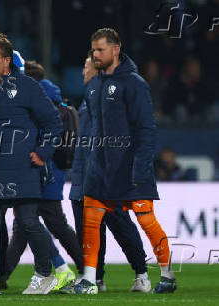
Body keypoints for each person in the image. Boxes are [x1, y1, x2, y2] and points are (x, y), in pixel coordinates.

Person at [68, 28, 176, 294]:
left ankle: (167, 275)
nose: (95, 55)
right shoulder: (93, 87)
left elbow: (146, 129)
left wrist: (140, 167)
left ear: (116, 50)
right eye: (93, 50)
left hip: (129, 168)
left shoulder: (135, 83)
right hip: (100, 170)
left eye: (100, 50)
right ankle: (90, 281)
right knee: (91, 221)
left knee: (146, 220)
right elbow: (95, 131)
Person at [0, 35, 63, 294]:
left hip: (21, 167)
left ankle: (44, 273)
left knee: (29, 222)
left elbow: (53, 122)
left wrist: (43, 152)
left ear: (7, 61)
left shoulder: (27, 86)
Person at [64, 52, 150, 293]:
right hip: (82, 175)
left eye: (86, 67)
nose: (82, 72)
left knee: (120, 224)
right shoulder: (89, 98)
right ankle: (94, 278)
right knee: (88, 231)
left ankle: (142, 274)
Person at [0, 60, 83, 291]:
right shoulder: (51, 96)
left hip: (44, 172)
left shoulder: (40, 97)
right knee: (26, 223)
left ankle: (85, 269)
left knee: (51, 224)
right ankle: (1, 275)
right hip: (48, 170)